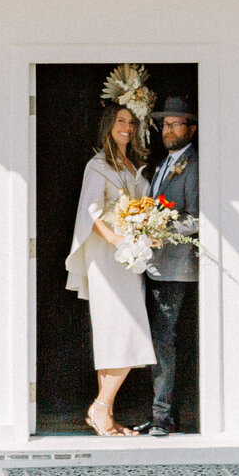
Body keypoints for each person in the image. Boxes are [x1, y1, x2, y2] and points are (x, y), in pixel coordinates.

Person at [64, 101, 154, 436]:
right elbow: (90, 211)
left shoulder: (134, 164)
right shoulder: (98, 165)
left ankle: (105, 415)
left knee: (115, 335)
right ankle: (100, 407)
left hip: (130, 259)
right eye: (120, 121)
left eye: (131, 122)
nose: (127, 127)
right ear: (108, 125)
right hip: (107, 257)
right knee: (127, 330)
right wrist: (115, 238)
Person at [140, 97, 199, 436]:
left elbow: (197, 218)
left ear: (192, 129)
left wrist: (159, 229)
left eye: (176, 124)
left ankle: (162, 417)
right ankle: (161, 413)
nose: (169, 130)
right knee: (158, 339)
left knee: (164, 340)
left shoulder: (194, 165)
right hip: (154, 266)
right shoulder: (162, 164)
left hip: (177, 267)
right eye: (165, 125)